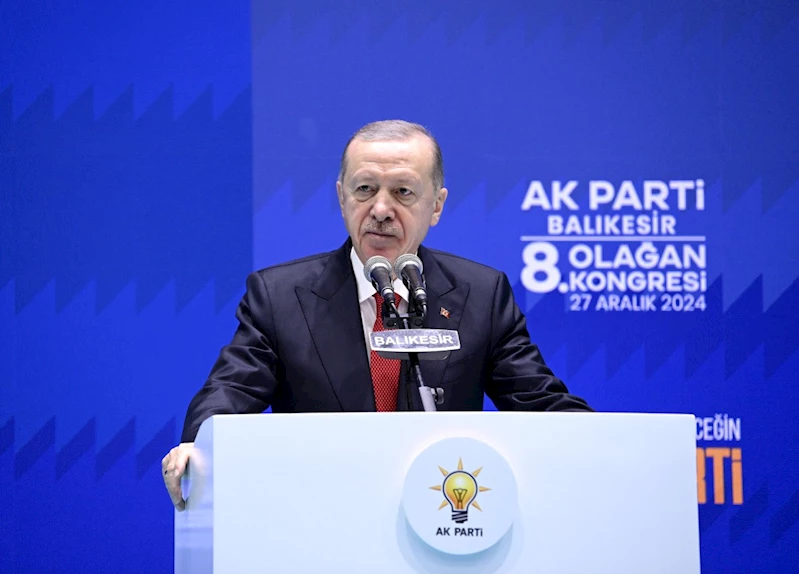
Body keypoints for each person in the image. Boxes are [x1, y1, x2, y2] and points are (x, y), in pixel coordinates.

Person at [162, 120, 592, 509]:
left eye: (403, 192)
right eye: (365, 189)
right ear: (341, 197)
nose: (381, 209)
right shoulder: (279, 297)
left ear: (437, 206)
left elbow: (540, 401)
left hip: (444, 524)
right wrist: (198, 444)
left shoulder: (481, 294)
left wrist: (609, 446)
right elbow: (230, 391)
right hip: (322, 517)